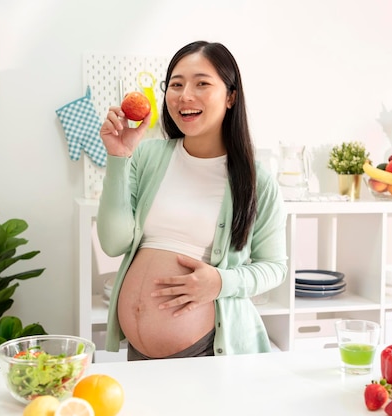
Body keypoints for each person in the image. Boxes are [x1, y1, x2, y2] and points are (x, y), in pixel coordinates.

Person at [96, 40, 287, 361]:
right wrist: (118, 158)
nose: (185, 95)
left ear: (231, 96)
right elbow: (113, 244)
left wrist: (220, 282)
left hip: (208, 351)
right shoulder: (146, 156)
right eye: (176, 84)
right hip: (139, 354)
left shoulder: (257, 180)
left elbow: (275, 267)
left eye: (202, 84)